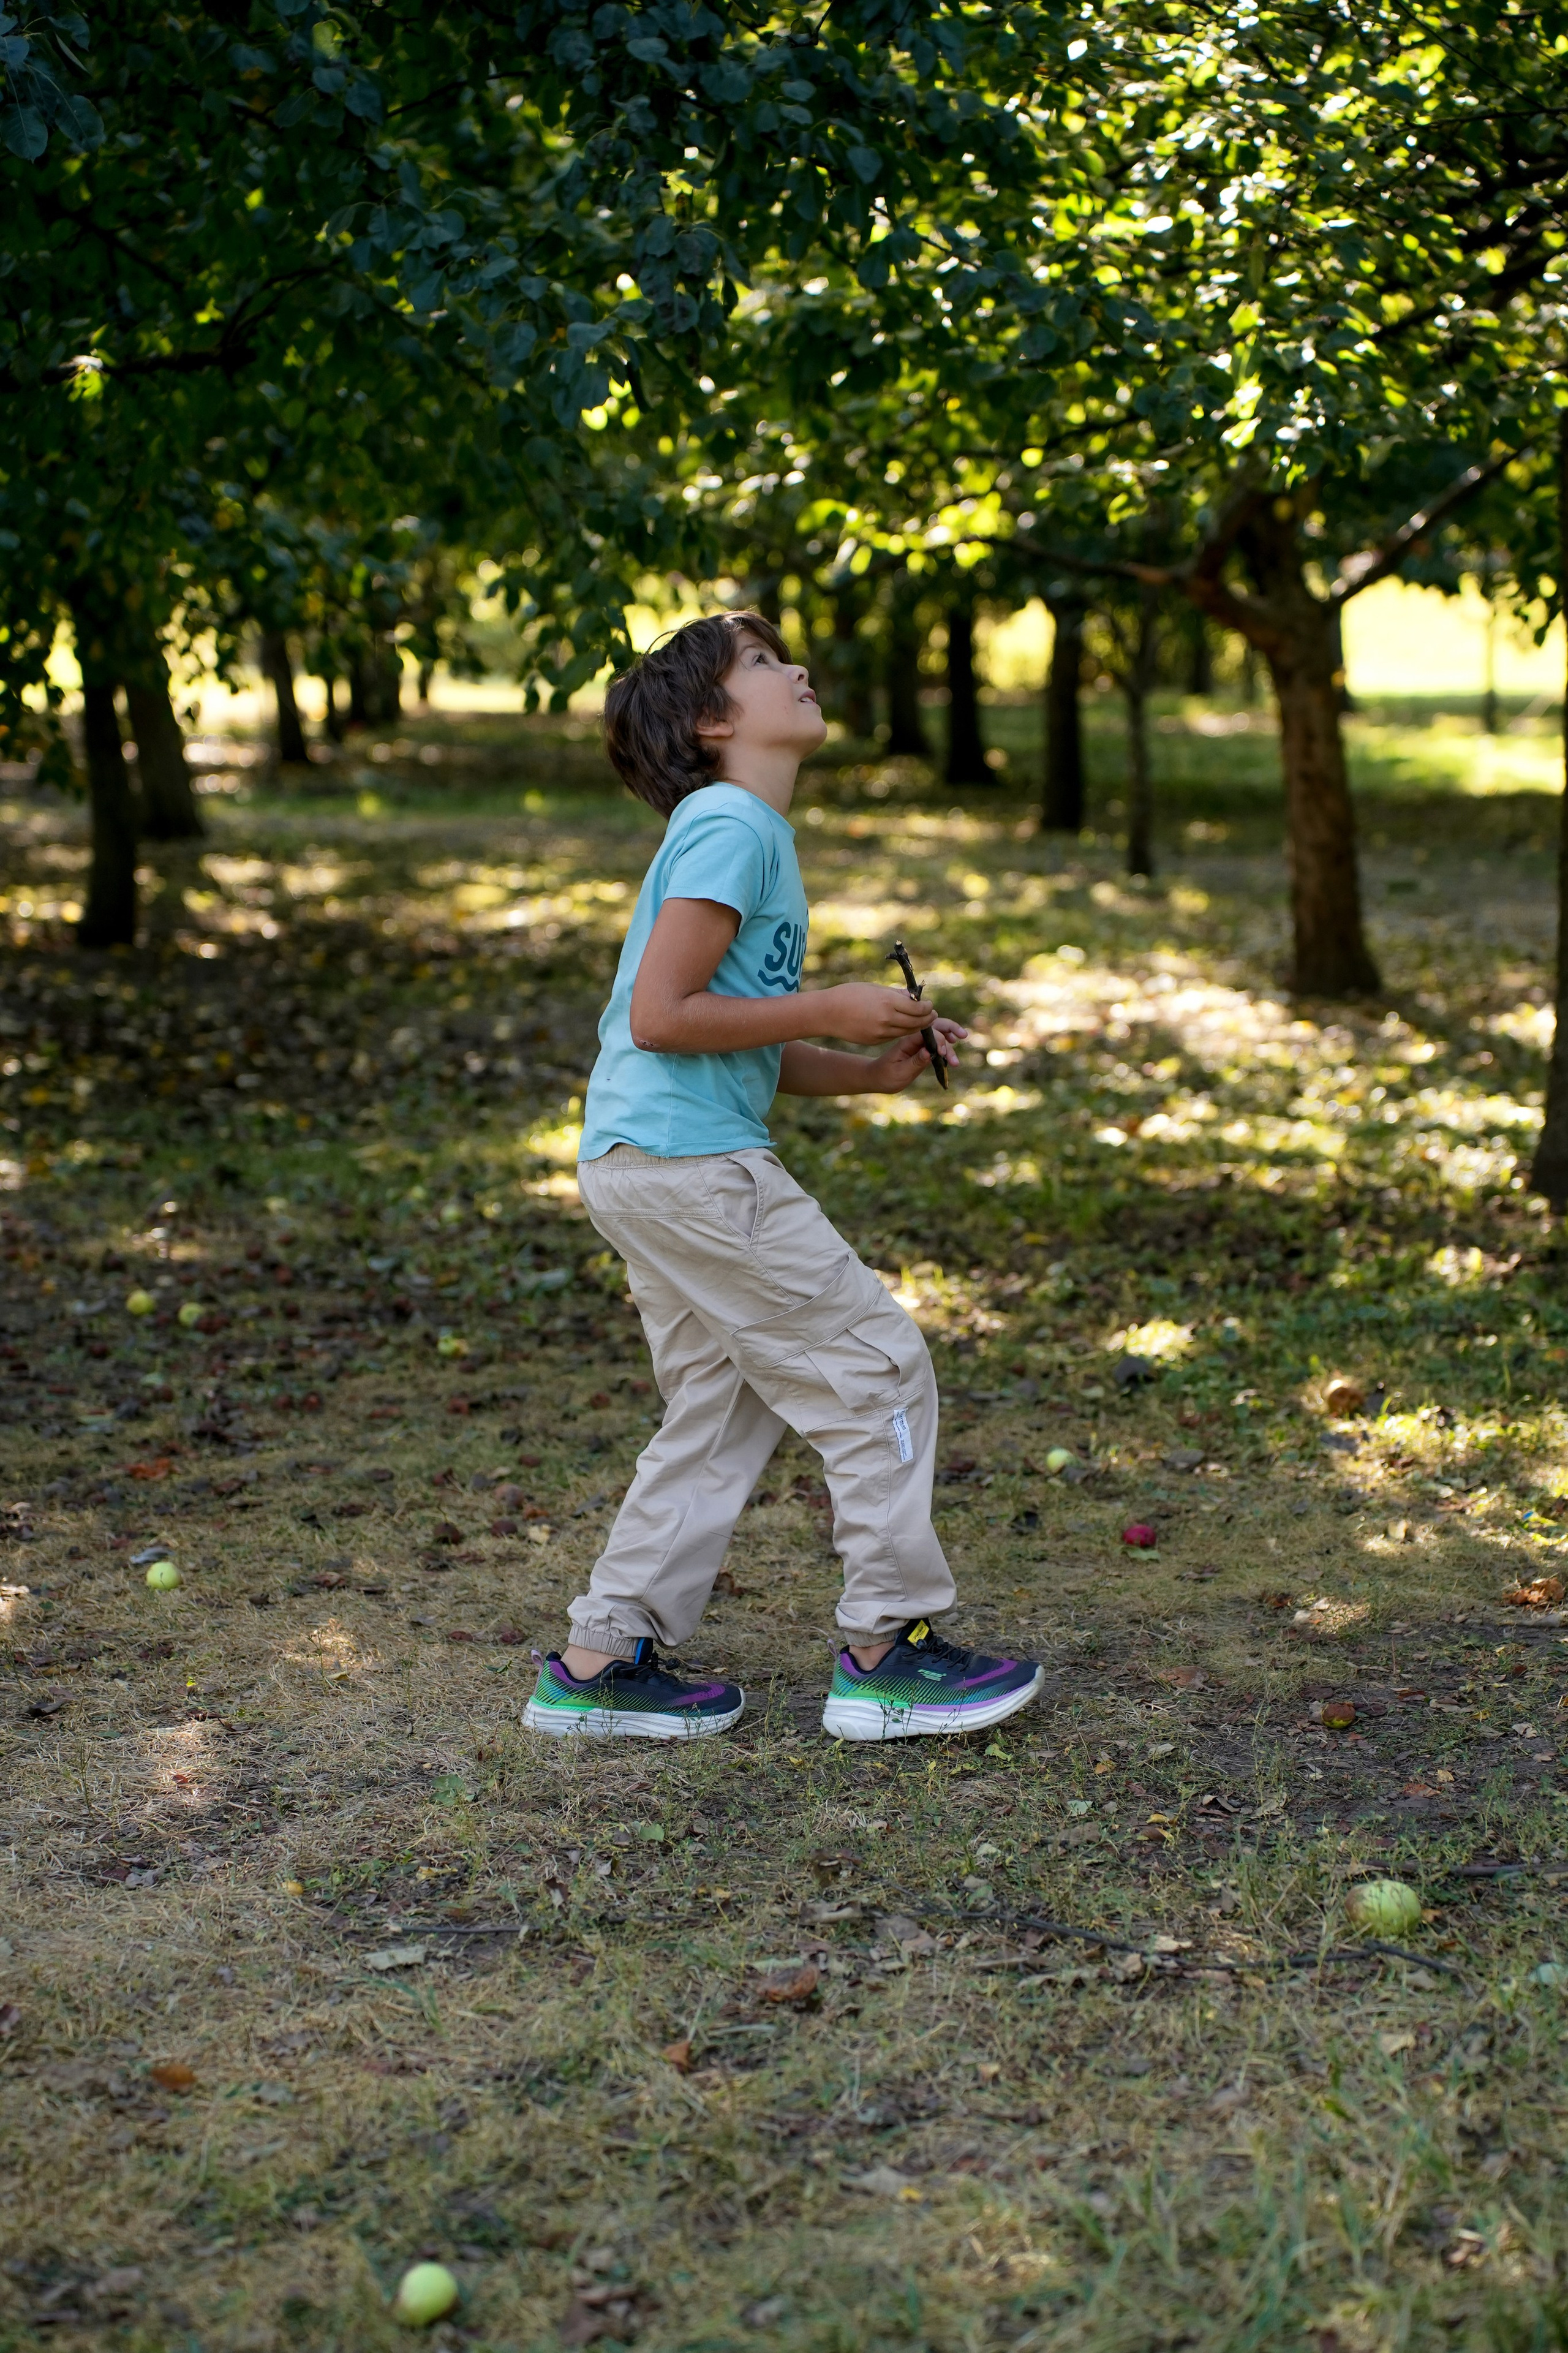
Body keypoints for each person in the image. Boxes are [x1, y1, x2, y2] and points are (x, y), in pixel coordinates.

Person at [523, 611, 1041, 1742]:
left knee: (722, 1404)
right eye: (763, 664)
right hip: (693, 1169)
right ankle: (886, 1650)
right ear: (715, 721)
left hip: (643, 1162)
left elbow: (727, 1033)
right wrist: (835, 1003)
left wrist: (867, 1065)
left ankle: (602, 1657)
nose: (798, 668)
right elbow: (665, 1016)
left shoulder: (740, 829)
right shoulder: (730, 824)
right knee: (878, 1367)